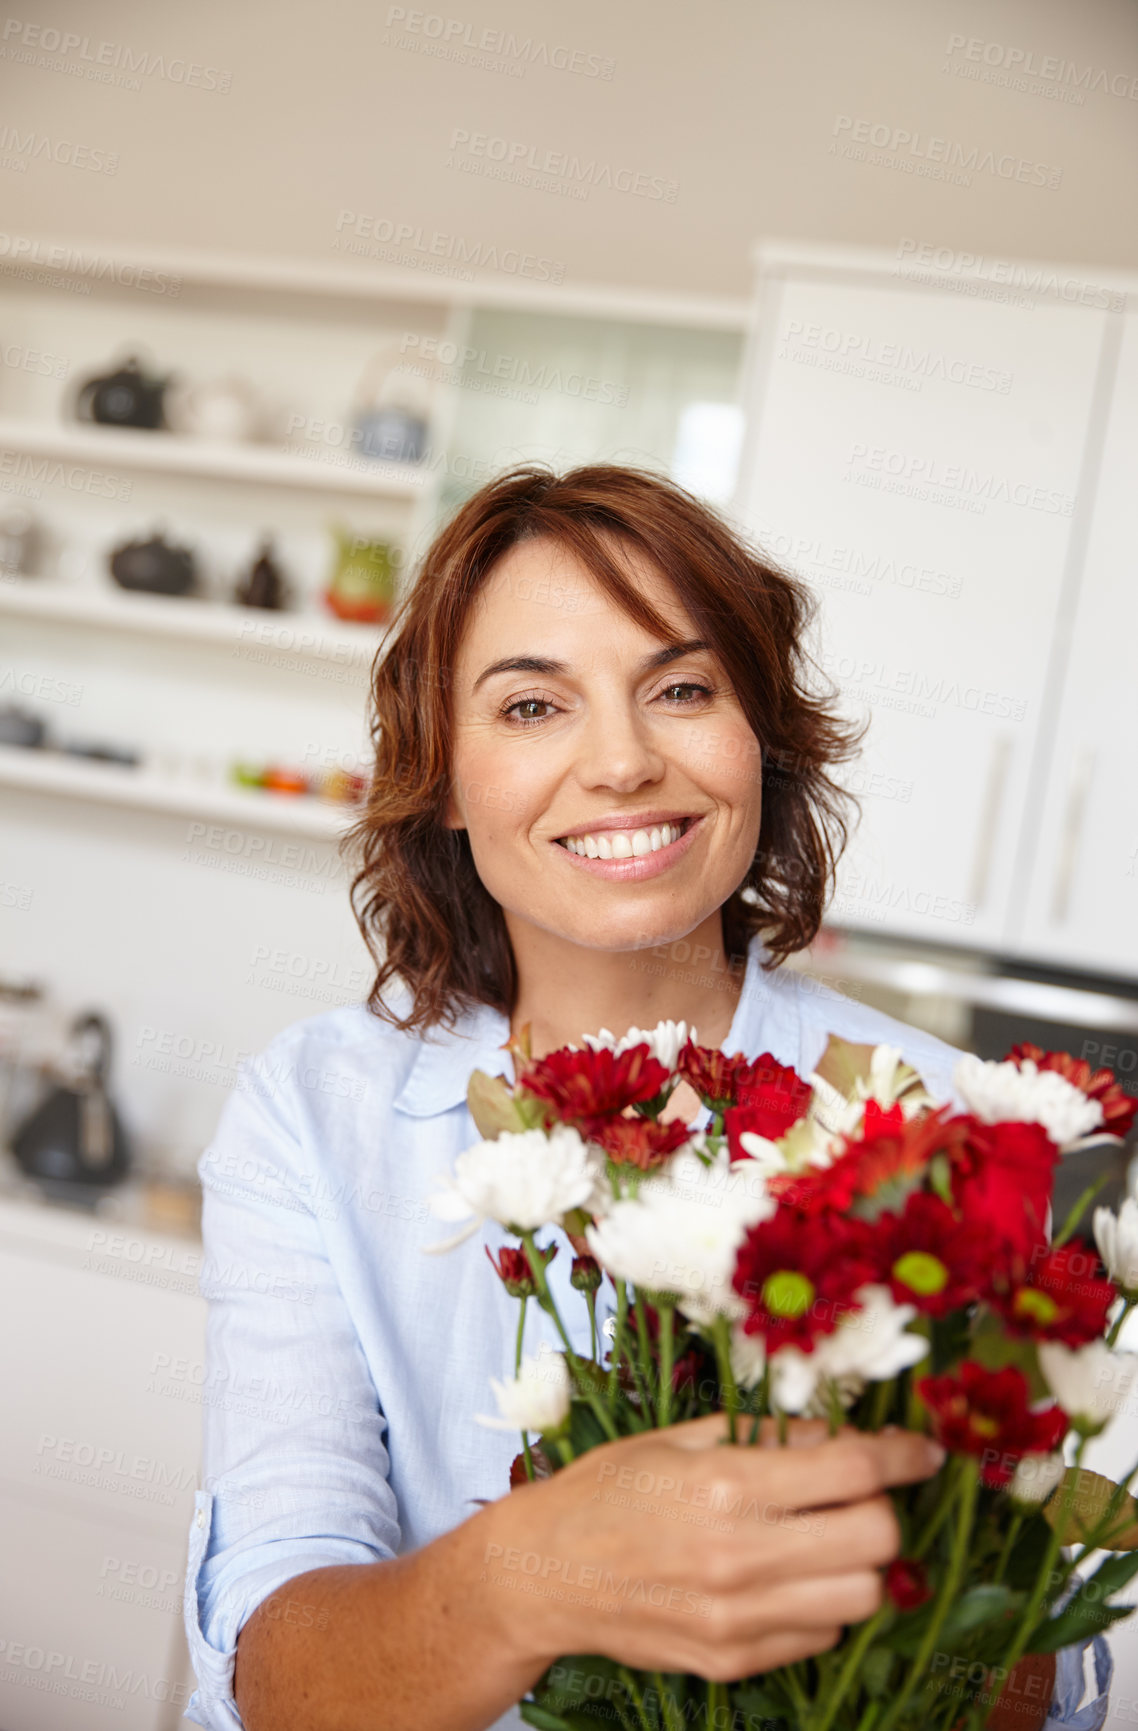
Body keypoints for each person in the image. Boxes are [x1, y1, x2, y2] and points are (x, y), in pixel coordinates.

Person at [184, 464, 960, 1731]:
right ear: (440, 774)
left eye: (681, 688)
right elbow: (279, 1678)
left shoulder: (923, 1115)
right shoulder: (309, 1117)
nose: (619, 760)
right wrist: (537, 1576)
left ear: (758, 736)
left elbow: (1013, 1642)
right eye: (533, 705)